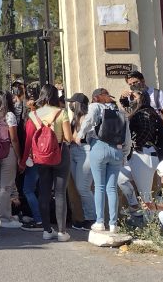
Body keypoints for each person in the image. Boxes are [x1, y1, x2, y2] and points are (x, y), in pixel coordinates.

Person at [22, 84, 73, 241]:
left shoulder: (34, 115)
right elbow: (69, 138)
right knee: (59, 193)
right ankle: (62, 232)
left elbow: (29, 139)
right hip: (60, 154)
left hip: (41, 157)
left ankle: (46, 230)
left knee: (43, 192)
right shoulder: (61, 112)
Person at [78, 88, 131, 233]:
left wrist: (80, 135)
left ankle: (100, 222)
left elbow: (88, 121)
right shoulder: (120, 111)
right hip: (116, 151)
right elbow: (127, 136)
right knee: (112, 188)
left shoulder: (95, 107)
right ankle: (113, 224)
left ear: (95, 98)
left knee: (99, 187)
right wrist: (124, 154)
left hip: (99, 148)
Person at [117, 88, 163, 218]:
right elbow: (129, 112)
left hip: (144, 154)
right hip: (138, 155)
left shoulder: (145, 113)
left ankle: (150, 225)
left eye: (134, 96)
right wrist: (123, 98)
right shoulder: (139, 111)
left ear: (142, 99)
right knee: (120, 177)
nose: (131, 98)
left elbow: (147, 130)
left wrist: (137, 144)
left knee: (145, 194)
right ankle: (134, 205)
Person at [66, 92, 96, 230]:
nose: (70, 105)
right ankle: (84, 217)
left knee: (83, 187)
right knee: (80, 188)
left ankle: (92, 218)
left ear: (78, 104)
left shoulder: (87, 118)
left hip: (86, 152)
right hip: (74, 152)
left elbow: (75, 137)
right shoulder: (74, 118)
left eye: (72, 102)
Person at [0, 90, 22, 229]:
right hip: (8, 151)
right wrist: (19, 156)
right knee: (7, 185)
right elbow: (14, 138)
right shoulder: (9, 115)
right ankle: (5, 218)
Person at [19, 84, 44, 231]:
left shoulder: (32, 119)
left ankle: (39, 220)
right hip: (47, 156)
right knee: (41, 189)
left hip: (33, 158)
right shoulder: (46, 115)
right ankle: (43, 218)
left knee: (28, 189)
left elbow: (28, 141)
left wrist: (22, 162)